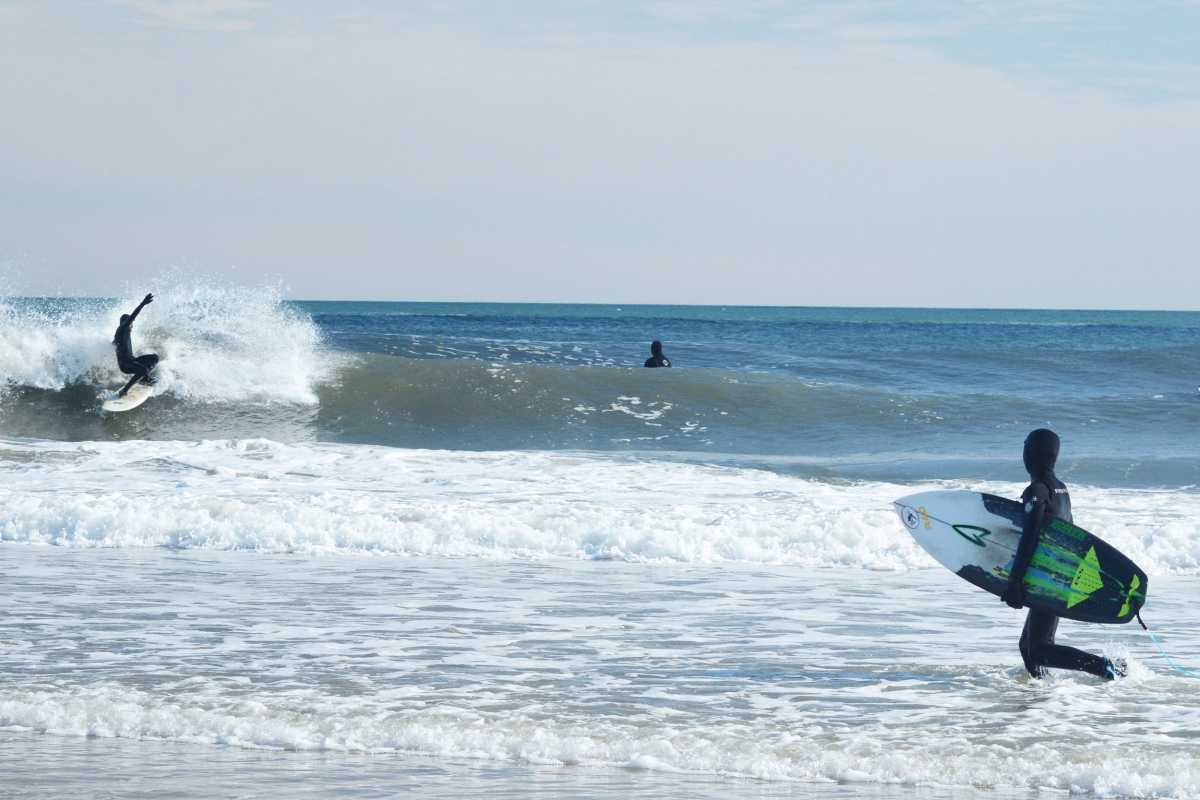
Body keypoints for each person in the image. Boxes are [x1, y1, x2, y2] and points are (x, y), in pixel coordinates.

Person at [1001, 428, 1124, 681]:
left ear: (1030, 454)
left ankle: (1107, 668)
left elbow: (1030, 535)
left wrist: (1014, 581)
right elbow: (1071, 532)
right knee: (1029, 647)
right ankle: (1043, 693)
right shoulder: (1061, 489)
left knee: (1037, 648)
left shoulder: (1037, 490)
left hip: (1052, 577)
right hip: (1063, 573)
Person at [113, 293, 159, 397]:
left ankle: (144, 379)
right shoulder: (122, 328)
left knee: (154, 358)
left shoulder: (122, 333)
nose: (132, 325)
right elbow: (133, 316)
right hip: (125, 365)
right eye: (130, 322)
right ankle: (124, 390)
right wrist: (143, 303)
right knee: (144, 369)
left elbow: (114, 344)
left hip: (132, 360)